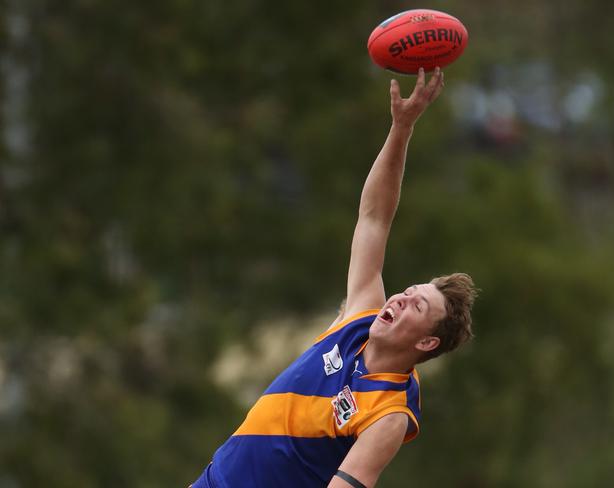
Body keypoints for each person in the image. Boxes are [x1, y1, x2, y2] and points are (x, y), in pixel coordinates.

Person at [190, 67, 477, 488]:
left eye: (416, 305)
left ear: (427, 342)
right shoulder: (360, 317)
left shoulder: (389, 415)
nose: (398, 298)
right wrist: (402, 127)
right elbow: (375, 218)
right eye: (409, 291)